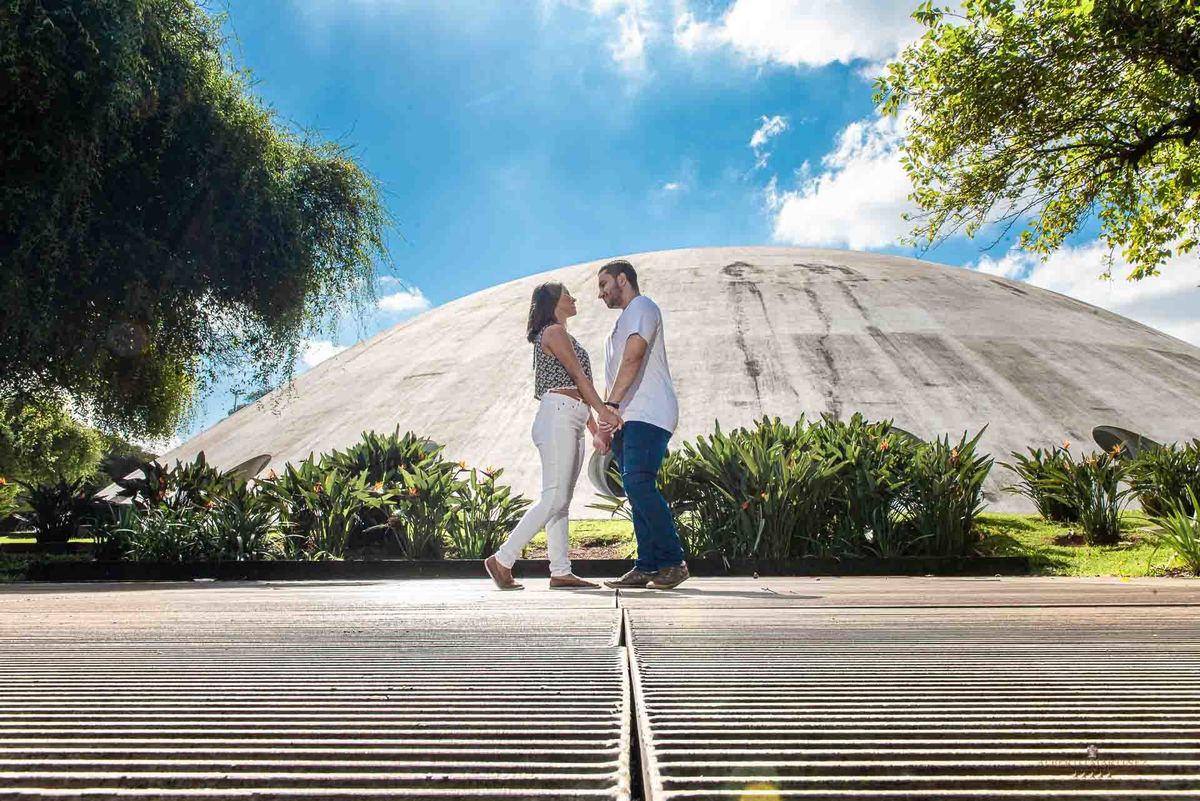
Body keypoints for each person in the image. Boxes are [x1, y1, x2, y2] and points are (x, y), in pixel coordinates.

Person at [484, 282, 623, 590]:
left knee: (561, 501)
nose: (574, 298)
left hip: (570, 414)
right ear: (555, 302)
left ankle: (560, 571)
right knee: (555, 497)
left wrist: (593, 428)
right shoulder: (553, 332)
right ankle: (503, 559)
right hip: (558, 414)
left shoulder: (563, 334)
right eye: (568, 295)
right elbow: (577, 377)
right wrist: (604, 412)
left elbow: (578, 388)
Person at [595, 260, 689, 590]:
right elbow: (613, 377)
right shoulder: (617, 327)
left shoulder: (642, 307)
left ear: (624, 279)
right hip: (624, 416)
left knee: (638, 483)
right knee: (635, 491)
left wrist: (611, 406)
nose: (600, 293)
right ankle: (648, 565)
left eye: (604, 284)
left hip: (647, 412)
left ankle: (672, 561)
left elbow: (634, 355)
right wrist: (605, 425)